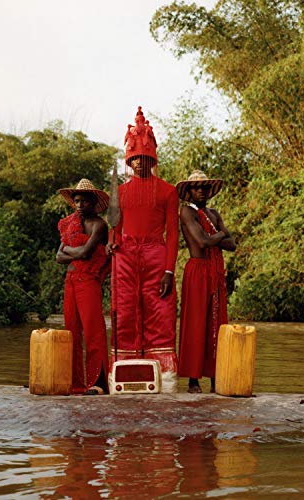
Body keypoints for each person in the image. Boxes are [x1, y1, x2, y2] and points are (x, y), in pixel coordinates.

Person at [106, 106, 179, 392]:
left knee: (161, 311)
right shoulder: (120, 192)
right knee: (124, 312)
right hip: (124, 256)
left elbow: (173, 234)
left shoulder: (168, 191)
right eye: (134, 158)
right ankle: (123, 374)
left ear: (153, 159)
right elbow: (115, 228)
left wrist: (169, 270)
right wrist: (112, 244)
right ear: (129, 160)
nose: (139, 163)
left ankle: (166, 379)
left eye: (144, 158)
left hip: (155, 253)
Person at [176, 170, 236, 393]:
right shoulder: (186, 212)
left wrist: (217, 238)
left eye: (205, 187)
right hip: (198, 270)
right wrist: (221, 234)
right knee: (196, 322)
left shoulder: (213, 213)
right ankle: (193, 380)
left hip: (216, 272)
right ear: (189, 192)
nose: (201, 190)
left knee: (217, 323)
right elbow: (202, 241)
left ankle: (215, 377)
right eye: (196, 187)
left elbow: (233, 245)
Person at [56, 179, 111, 395]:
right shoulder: (71, 225)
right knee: (71, 332)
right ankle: (76, 382)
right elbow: (58, 256)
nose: (79, 205)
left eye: (84, 201)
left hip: (88, 281)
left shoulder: (99, 225)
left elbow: (85, 253)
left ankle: (99, 383)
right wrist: (73, 251)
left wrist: (70, 251)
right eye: (76, 201)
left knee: (93, 331)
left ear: (93, 202)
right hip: (70, 282)